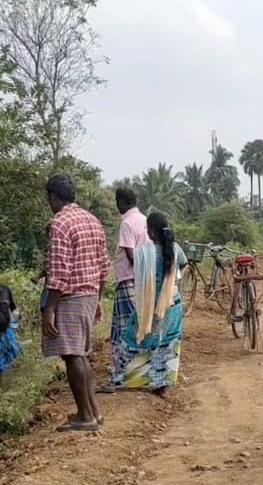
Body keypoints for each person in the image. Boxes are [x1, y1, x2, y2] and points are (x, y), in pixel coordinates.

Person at [42, 174, 110, 432]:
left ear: (52, 197)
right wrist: (98, 299)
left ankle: (85, 416)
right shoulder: (92, 220)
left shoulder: (60, 223)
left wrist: (50, 308)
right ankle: (93, 411)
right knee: (80, 355)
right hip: (90, 294)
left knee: (72, 356)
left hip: (70, 297)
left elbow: (59, 271)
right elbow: (104, 266)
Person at [112, 212, 187, 398]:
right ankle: (163, 383)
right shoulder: (176, 249)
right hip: (173, 303)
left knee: (131, 338)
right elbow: (184, 265)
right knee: (168, 343)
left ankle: (127, 377)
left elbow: (134, 266)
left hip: (149, 305)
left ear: (152, 231)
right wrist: (173, 279)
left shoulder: (145, 252)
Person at [99, 187, 149, 393]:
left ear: (121, 201)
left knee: (123, 330)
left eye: (116, 201)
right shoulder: (144, 220)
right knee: (139, 327)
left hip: (129, 281)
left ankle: (121, 377)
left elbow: (130, 255)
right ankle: (138, 373)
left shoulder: (127, 222)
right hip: (142, 282)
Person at [0, 284, 22, 375]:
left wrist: (16, 316)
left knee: (4, 362)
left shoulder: (6, 289)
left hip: (6, 333)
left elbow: (13, 308)